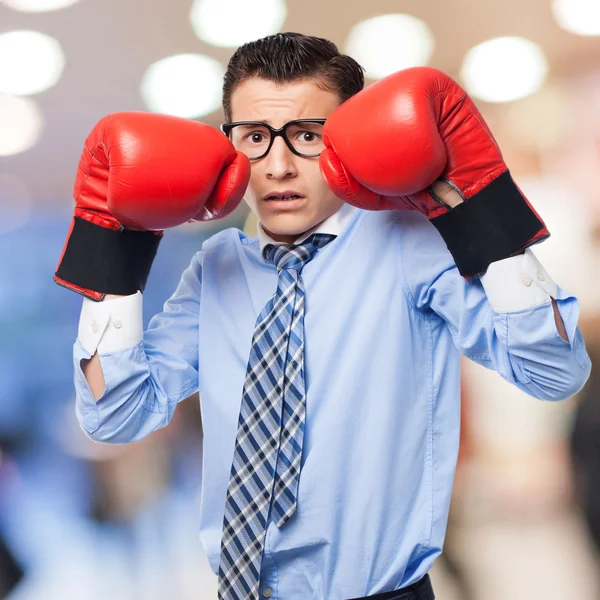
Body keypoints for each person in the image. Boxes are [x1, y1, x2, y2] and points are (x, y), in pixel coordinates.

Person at [54, 32, 591, 600]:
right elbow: (114, 415)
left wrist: (486, 212)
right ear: (228, 145)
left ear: (348, 143)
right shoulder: (217, 267)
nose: (279, 166)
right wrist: (111, 251)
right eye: (255, 138)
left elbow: (553, 372)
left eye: (307, 136)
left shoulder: (410, 246)